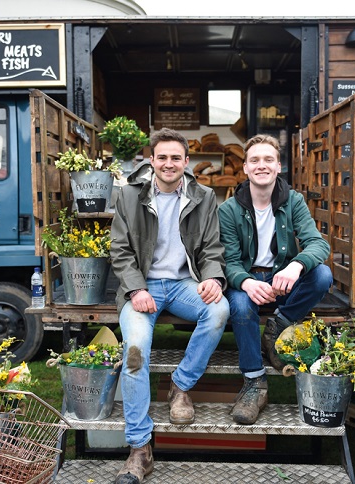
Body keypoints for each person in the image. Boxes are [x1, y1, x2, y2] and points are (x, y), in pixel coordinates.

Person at [110, 127, 230, 484]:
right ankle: (139, 449)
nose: (168, 163)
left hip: (182, 284)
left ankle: (180, 385)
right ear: (151, 160)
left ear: (186, 162)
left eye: (176, 157)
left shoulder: (203, 195)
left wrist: (212, 278)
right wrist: (135, 289)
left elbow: (211, 248)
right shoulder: (129, 196)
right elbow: (120, 251)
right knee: (134, 351)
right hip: (143, 288)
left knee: (219, 309)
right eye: (161, 157)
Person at [218, 134, 333, 425]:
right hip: (247, 280)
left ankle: (277, 326)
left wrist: (295, 265)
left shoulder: (293, 201)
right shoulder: (229, 210)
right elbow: (228, 261)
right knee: (242, 307)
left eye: (268, 159)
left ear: (279, 166)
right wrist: (245, 282)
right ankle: (255, 383)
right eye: (254, 160)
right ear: (245, 168)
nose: (262, 165)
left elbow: (318, 244)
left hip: (282, 280)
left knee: (322, 275)